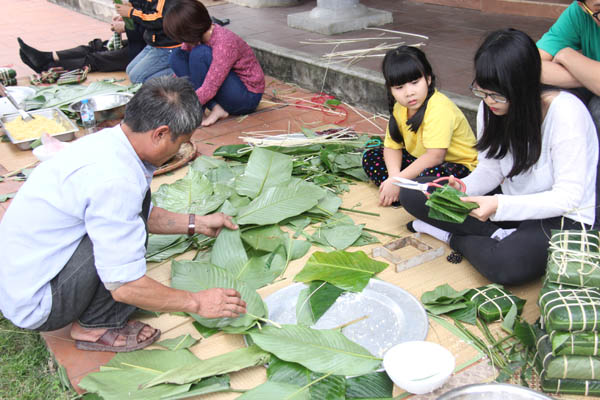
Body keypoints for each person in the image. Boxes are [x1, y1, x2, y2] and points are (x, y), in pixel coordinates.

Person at [0, 76, 246, 352]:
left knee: (130, 221)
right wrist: (197, 302)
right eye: (180, 143)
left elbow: (137, 214)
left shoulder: (108, 142)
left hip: (23, 276)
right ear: (161, 134)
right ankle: (95, 325)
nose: (179, 151)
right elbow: (124, 284)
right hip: (39, 303)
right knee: (122, 261)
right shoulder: (116, 180)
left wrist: (196, 223)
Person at [400, 29, 598, 285]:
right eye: (482, 91)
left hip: (561, 215)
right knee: (415, 192)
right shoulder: (490, 106)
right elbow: (491, 168)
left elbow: (568, 198)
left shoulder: (565, 113)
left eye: (497, 95)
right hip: (510, 206)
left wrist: (498, 206)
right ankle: (497, 234)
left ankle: (452, 237)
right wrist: (464, 187)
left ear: (524, 87)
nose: (489, 101)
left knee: (507, 266)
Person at [361, 46, 478, 207]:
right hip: (419, 161)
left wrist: (398, 181)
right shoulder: (399, 107)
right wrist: (394, 177)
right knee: (371, 157)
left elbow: (435, 156)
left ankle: (406, 195)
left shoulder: (439, 108)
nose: (409, 93)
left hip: (458, 167)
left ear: (428, 79)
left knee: (431, 177)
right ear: (390, 90)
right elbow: (392, 146)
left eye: (415, 83)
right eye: (399, 87)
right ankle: (408, 195)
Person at [163, 0, 265, 127]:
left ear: (189, 31)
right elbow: (183, 74)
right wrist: (170, 95)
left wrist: (184, 106)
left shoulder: (224, 42)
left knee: (199, 54)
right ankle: (215, 108)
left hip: (247, 97)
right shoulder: (196, 38)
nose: (180, 40)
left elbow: (210, 86)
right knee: (176, 56)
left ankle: (196, 110)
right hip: (222, 89)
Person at [17, 16, 145, 74]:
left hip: (151, 48)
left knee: (97, 58)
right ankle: (48, 56)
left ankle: (49, 67)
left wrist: (127, 27)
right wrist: (129, 18)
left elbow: (157, 29)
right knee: (97, 46)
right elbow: (145, 18)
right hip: (139, 41)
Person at [116, 0, 179, 83]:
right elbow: (146, 5)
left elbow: (158, 18)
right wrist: (131, 8)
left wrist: (132, 12)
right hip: (155, 42)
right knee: (129, 70)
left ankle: (180, 74)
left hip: (168, 46)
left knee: (137, 79)